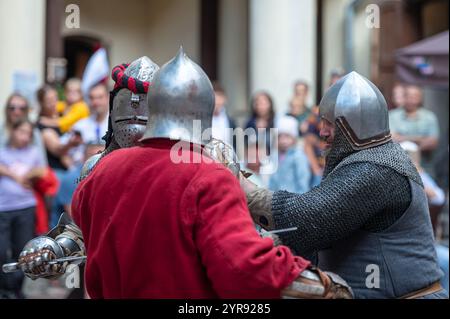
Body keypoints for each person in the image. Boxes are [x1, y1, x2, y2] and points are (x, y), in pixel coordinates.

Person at [70, 48, 352, 299]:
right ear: (201, 113)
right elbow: (243, 268)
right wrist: (321, 284)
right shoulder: (207, 174)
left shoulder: (99, 173)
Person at [240, 71, 447, 299]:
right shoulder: (365, 161)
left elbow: (308, 218)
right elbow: (325, 230)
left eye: (331, 124)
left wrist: (240, 185)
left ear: (355, 126)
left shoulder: (377, 168)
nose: (322, 131)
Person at [15, 56, 159, 281]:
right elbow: (83, 228)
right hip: (114, 279)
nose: (134, 128)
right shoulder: (96, 167)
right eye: (128, 116)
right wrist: (55, 250)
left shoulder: (188, 163)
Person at [0, 120, 46, 298]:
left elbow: (42, 171)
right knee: (2, 251)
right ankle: (5, 288)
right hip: (3, 208)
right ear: (13, 130)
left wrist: (26, 175)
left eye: (28, 133)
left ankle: (16, 289)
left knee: (23, 251)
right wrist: (13, 174)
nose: (25, 137)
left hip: (26, 207)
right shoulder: (3, 151)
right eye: (22, 132)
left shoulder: (33, 152)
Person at [400, 141, 449, 294]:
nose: (411, 159)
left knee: (446, 260)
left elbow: (439, 198)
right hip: (402, 243)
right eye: (408, 156)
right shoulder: (393, 176)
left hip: (423, 241)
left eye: (413, 156)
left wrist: (417, 173)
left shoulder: (420, 174)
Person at [389, 85, 439, 175]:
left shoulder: (429, 117)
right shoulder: (393, 116)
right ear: (404, 97)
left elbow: (432, 142)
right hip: (399, 167)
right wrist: (419, 139)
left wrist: (411, 148)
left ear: (420, 98)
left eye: (415, 96)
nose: (411, 100)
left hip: (425, 166)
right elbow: (392, 139)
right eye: (409, 96)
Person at [269, 116, 311, 194]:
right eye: (280, 136)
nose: (283, 140)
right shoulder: (275, 156)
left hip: (293, 200)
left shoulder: (298, 156)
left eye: (287, 136)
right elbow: (272, 180)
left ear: (294, 138)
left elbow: (303, 181)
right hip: (276, 200)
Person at [1, 93, 47, 164]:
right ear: (7, 110)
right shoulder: (1, 131)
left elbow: (43, 164)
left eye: (22, 108)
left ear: (27, 111)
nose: (17, 112)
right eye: (12, 108)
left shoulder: (34, 133)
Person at [211, 82, 236, 147]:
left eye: (220, 98)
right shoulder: (202, 120)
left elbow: (233, 145)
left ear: (225, 99)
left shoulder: (231, 121)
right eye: (215, 98)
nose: (217, 102)